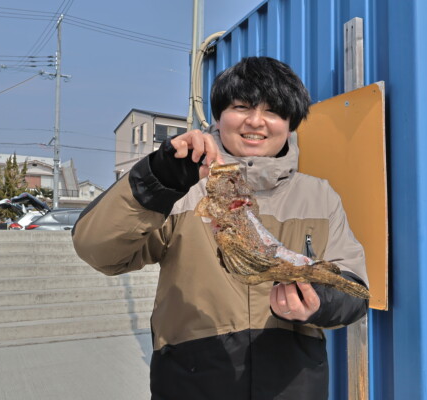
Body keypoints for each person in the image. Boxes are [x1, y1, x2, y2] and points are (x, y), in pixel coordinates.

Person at [72, 56, 369, 400]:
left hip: (294, 385)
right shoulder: (180, 189)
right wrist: (157, 181)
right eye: (241, 106)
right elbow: (99, 251)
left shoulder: (319, 195)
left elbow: (355, 290)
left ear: (290, 124)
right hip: (192, 384)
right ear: (218, 115)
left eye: (273, 111)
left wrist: (317, 302)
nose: (256, 121)